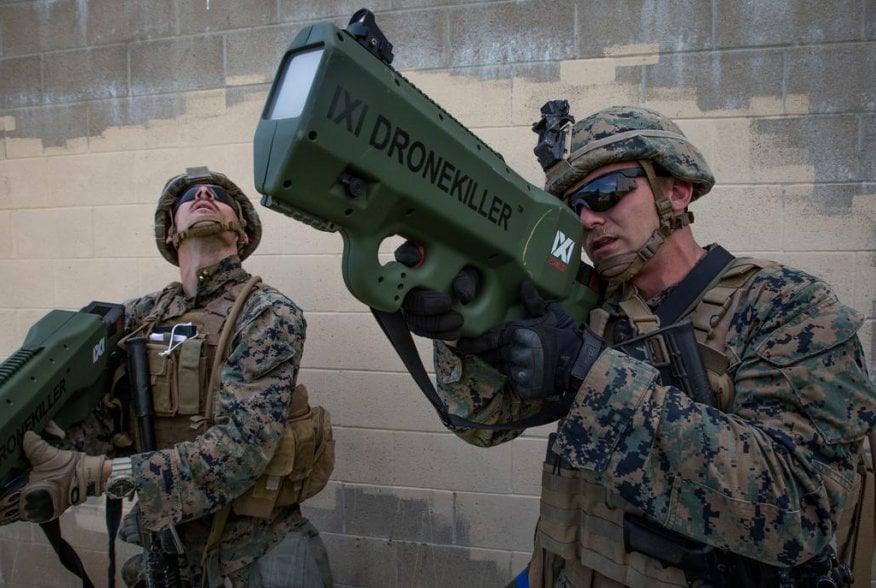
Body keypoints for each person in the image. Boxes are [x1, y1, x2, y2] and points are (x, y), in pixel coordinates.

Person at [398, 106, 876, 587]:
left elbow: (800, 512)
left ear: (676, 190)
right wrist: (464, 334)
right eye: (571, 209)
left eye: (605, 195)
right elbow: (482, 427)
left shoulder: (788, 306)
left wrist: (587, 370)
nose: (588, 219)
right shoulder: (586, 308)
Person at [0, 167, 335, 587]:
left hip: (258, 555)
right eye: (189, 196)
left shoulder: (267, 312)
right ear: (170, 231)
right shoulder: (139, 317)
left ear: (242, 233)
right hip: (168, 550)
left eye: (219, 195)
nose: (204, 196)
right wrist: (40, 465)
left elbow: (241, 449)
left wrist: (98, 475)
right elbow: (106, 418)